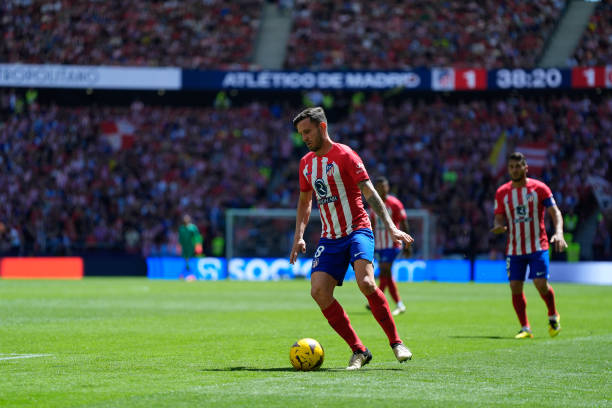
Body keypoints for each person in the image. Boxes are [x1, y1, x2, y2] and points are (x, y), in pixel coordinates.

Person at [289, 107, 414, 370]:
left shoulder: (345, 155)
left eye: (308, 131)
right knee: (318, 292)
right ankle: (359, 350)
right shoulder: (306, 164)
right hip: (330, 237)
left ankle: (396, 342)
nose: (304, 138)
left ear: (322, 127)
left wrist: (391, 227)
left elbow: (369, 192)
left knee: (366, 282)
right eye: (301, 134)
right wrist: (299, 236)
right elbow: (305, 201)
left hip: (358, 229)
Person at [491, 152, 567, 339]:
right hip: (514, 248)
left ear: (526, 167)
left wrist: (559, 232)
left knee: (540, 284)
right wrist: (498, 226)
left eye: (518, 166)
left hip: (537, 246)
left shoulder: (540, 188)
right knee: (515, 286)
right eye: (511, 167)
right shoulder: (502, 192)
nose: (515, 170)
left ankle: (553, 315)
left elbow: (555, 212)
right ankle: (525, 328)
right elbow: (498, 216)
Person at [368, 176, 410, 316]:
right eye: (378, 187)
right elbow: (371, 224)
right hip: (379, 244)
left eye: (383, 186)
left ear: (387, 187)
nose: (381, 189)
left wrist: (407, 245)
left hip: (393, 243)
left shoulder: (395, 203)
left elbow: (404, 223)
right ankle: (397, 304)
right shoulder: (373, 204)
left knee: (385, 270)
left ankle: (378, 301)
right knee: (386, 273)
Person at [178, 214, 203, 278]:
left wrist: (198, 245)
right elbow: (180, 239)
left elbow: (197, 237)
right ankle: (184, 274)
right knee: (185, 260)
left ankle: (192, 274)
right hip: (184, 247)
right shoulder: (181, 228)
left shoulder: (193, 228)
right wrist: (179, 246)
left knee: (191, 260)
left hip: (191, 247)